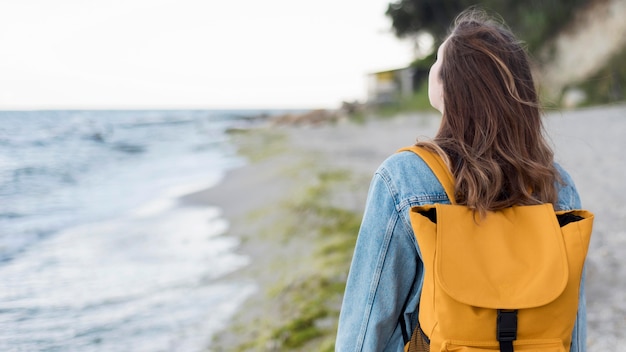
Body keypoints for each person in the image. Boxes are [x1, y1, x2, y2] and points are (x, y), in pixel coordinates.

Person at [335, 8, 587, 352]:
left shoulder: (405, 177)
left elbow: (366, 324)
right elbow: (572, 324)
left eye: (439, 61)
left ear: (449, 88)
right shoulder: (558, 184)